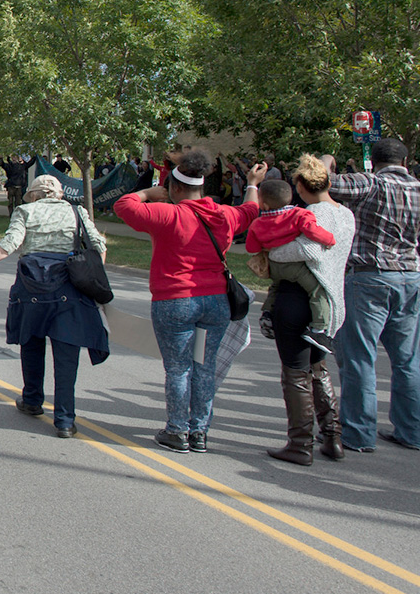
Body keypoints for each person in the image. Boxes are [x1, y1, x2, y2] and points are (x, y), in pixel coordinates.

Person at [114, 151, 265, 454]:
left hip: (176, 300)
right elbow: (250, 209)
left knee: (178, 368)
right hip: (216, 302)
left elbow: (123, 206)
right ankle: (200, 431)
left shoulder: (168, 215)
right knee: (204, 367)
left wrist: (147, 192)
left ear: (176, 188)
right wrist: (252, 183)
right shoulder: (223, 215)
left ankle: (177, 430)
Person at [0, 175, 108, 438]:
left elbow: (10, 243)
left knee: (31, 341)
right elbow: (98, 245)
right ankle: (65, 420)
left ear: (33, 194)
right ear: (59, 194)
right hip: (69, 288)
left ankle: (32, 400)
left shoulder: (25, 210)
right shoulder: (77, 212)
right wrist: (94, 277)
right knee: (67, 352)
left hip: (32, 286)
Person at [324, 138, 420, 451]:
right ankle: (411, 430)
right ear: (405, 161)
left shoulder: (369, 184)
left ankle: (359, 433)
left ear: (373, 161)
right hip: (411, 276)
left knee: (359, 359)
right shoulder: (417, 188)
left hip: (371, 275)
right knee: (407, 360)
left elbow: (321, 182)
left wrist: (326, 161)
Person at [264, 155, 355, 465]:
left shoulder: (311, 213)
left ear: (300, 186)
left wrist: (273, 251)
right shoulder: (346, 214)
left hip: (299, 296)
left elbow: (307, 249)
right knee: (318, 369)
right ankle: (332, 436)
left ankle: (300, 442)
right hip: (329, 299)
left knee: (295, 372)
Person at [247, 179, 337, 352]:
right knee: (317, 290)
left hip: (274, 266)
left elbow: (252, 248)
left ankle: (267, 313)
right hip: (295, 267)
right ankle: (318, 328)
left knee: (276, 286)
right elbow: (312, 230)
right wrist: (330, 240)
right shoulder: (299, 215)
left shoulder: (257, 224)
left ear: (264, 204)